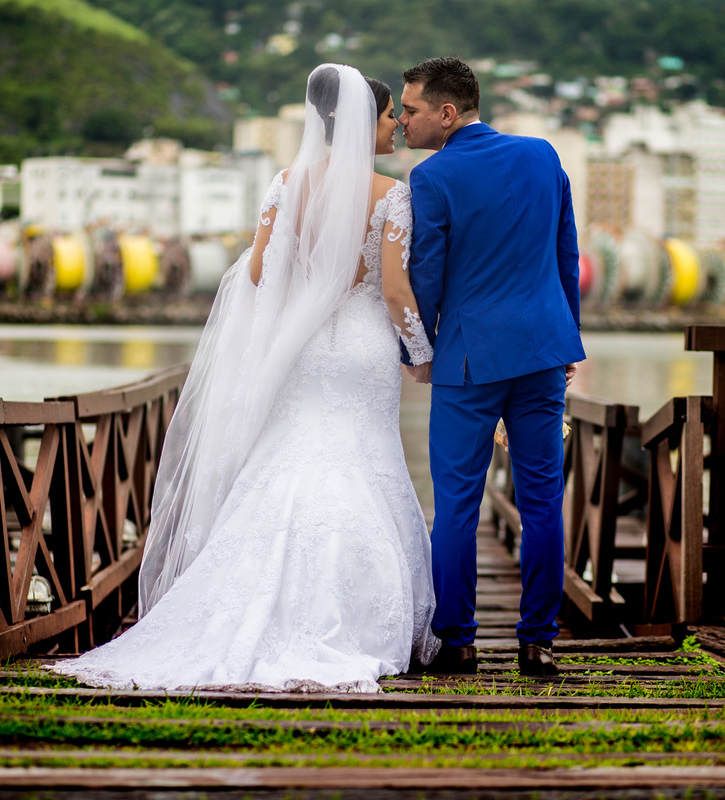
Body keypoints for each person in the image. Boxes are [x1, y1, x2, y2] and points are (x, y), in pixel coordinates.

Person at [50, 64, 439, 692]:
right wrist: (423, 353)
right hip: (365, 347)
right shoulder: (391, 193)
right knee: (364, 458)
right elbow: (395, 291)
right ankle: (357, 612)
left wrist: (309, 292)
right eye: (391, 114)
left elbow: (259, 272)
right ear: (366, 121)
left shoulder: (286, 184)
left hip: (301, 349)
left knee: (289, 457)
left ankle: (245, 602)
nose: (396, 125)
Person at [399, 57, 585, 676]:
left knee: (456, 504)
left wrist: (419, 351)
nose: (402, 120)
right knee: (542, 503)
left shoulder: (433, 178)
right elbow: (566, 252)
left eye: (411, 109)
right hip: (541, 351)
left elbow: (425, 275)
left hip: (468, 359)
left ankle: (459, 641)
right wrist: (567, 340)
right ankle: (538, 641)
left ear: (447, 113)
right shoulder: (542, 155)